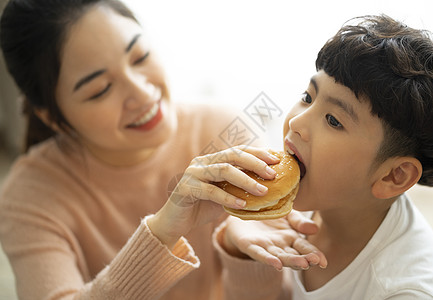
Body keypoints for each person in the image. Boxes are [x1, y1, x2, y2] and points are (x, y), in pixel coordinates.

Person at [0, 1, 325, 299]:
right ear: (53, 117)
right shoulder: (28, 196)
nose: (141, 94)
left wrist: (238, 252)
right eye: (100, 90)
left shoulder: (225, 129)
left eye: (140, 56)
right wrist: (162, 230)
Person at [213, 15, 433, 299]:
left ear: (393, 176)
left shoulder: (405, 291)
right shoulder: (298, 205)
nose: (297, 123)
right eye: (308, 97)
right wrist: (238, 245)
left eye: (333, 121)